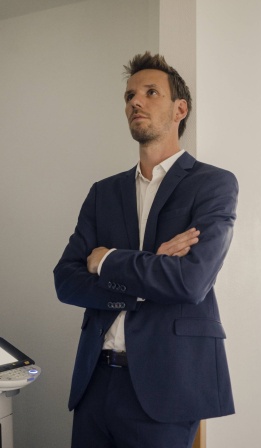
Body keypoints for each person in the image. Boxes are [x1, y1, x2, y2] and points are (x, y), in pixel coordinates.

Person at [54, 51, 238, 448]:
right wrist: (151, 274)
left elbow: (191, 282)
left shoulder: (213, 185)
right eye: (129, 95)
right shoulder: (103, 193)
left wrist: (107, 261)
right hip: (94, 382)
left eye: (151, 92)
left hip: (167, 387)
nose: (135, 101)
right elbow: (65, 281)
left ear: (179, 109)